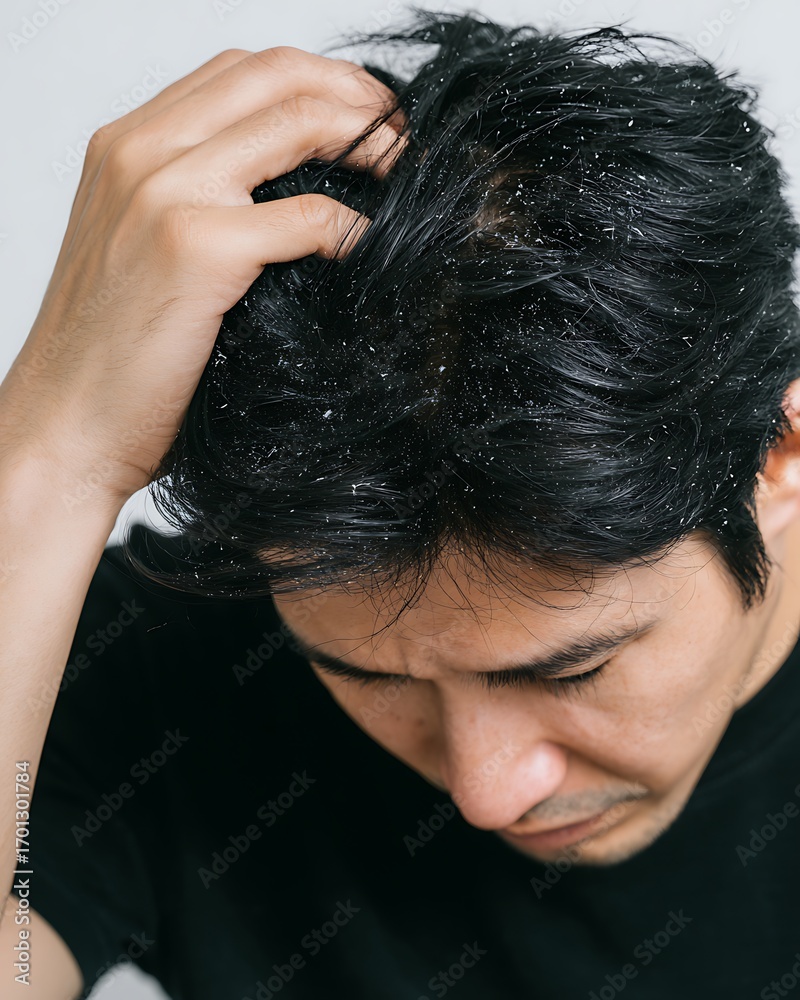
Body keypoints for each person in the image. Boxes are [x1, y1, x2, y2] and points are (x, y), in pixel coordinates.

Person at [1, 9, 799, 999]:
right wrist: (46, 458)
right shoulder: (163, 678)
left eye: (572, 670)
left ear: (778, 455)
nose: (483, 790)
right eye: (363, 674)